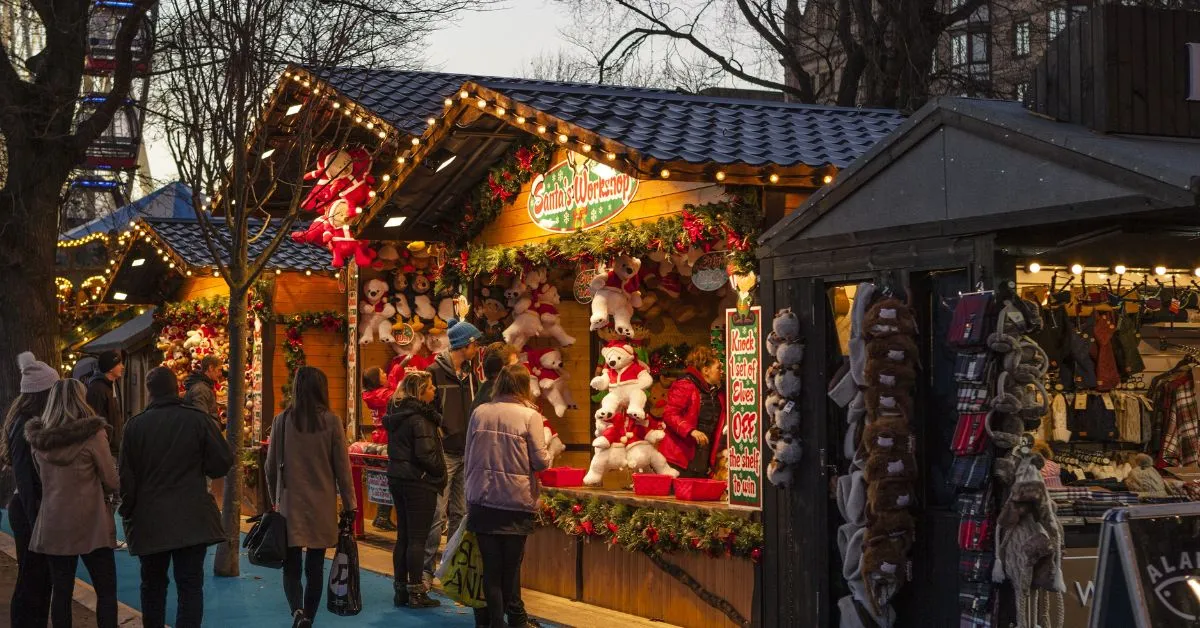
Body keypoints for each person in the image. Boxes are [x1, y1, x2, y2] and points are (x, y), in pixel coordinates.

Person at [119, 367, 234, 628]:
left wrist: (128, 510)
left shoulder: (135, 426)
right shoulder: (197, 420)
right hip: (191, 515)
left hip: (150, 518)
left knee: (152, 585)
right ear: (177, 388)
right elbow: (223, 460)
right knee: (190, 585)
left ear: (150, 391)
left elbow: (127, 477)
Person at [265, 366, 356, 628]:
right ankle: (309, 619)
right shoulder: (331, 421)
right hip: (322, 504)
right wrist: (350, 504)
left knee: (290, 565)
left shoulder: (281, 421)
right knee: (315, 567)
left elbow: (270, 467)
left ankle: (297, 612)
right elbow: (342, 469)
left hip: (290, 503)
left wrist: (275, 499)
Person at [25, 378, 119, 628]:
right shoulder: (93, 435)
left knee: (62, 591)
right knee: (106, 590)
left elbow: (39, 477)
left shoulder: (38, 439)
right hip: (92, 523)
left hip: (54, 521)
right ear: (81, 399)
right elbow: (111, 479)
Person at [465, 364, 552, 628]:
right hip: (515, 502)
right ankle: (514, 619)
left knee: (490, 569)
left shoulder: (479, 412)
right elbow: (540, 461)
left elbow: (468, 455)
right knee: (511, 568)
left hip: (482, 499)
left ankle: (495, 622)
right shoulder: (530, 416)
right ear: (524, 387)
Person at [423, 319, 483, 586]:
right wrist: (442, 431)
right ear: (465, 345)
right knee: (437, 513)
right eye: (474, 343)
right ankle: (425, 569)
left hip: (467, 452)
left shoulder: (473, 375)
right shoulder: (434, 372)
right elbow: (428, 408)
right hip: (445, 451)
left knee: (460, 513)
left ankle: (450, 571)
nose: (477, 347)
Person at [2, 352, 58, 627]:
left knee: (37, 576)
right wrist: (38, 519)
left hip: (30, 509)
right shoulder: (26, 424)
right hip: (29, 511)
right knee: (32, 576)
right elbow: (25, 478)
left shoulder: (24, 419)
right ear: (43, 392)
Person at [383, 371, 446, 608]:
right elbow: (425, 454)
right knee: (417, 538)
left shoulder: (397, 413)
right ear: (420, 392)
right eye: (430, 387)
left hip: (398, 478)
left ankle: (401, 589)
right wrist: (440, 472)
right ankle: (416, 592)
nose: (434, 391)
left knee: (404, 537)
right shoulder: (421, 418)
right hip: (418, 481)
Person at [659, 346, 728, 478]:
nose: (721, 372)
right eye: (718, 368)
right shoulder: (685, 385)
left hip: (703, 456)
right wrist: (690, 430)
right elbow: (670, 414)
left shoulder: (717, 392)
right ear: (706, 370)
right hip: (681, 457)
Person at [362, 366, 397, 532]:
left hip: (378, 438)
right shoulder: (383, 394)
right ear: (377, 379)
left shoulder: (371, 395)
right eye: (382, 373)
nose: (385, 374)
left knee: (383, 480)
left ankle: (381, 516)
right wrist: (395, 377)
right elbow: (397, 396)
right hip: (387, 439)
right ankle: (383, 516)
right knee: (388, 480)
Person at [86, 349, 125, 457]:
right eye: (119, 364)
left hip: (112, 447)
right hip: (105, 449)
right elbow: (95, 419)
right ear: (111, 368)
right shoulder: (98, 389)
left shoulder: (109, 386)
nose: (122, 367)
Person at [471, 343, 520, 413]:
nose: (520, 370)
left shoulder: (491, 392)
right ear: (503, 369)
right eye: (515, 367)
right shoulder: (492, 401)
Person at [184, 356, 223, 425]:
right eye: (219, 370)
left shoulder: (204, 386)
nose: (220, 374)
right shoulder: (201, 389)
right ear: (211, 368)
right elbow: (202, 420)